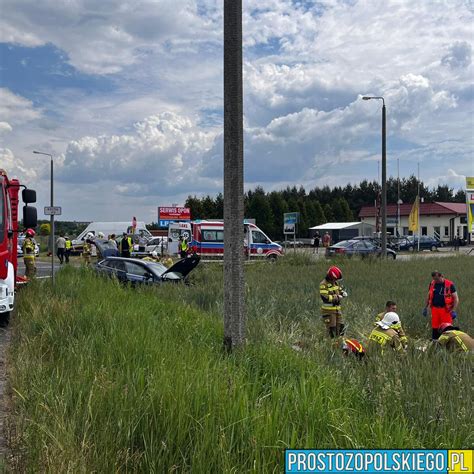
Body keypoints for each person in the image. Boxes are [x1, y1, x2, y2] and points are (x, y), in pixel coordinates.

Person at [423, 271, 459, 340]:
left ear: (441, 276)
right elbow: (429, 296)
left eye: (437, 279)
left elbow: (456, 299)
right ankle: (435, 343)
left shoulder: (449, 284)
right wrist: (425, 308)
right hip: (435, 309)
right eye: (434, 279)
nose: (436, 281)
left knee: (447, 328)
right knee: (435, 327)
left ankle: (447, 343)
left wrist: (453, 311)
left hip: (446, 310)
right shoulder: (432, 283)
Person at [319, 266, 347, 338]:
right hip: (328, 312)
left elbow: (338, 290)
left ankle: (339, 345)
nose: (335, 280)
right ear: (331, 277)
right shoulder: (323, 284)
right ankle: (330, 346)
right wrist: (337, 297)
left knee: (341, 329)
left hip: (337, 310)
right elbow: (325, 298)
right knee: (332, 331)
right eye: (334, 279)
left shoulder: (335, 283)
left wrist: (342, 293)